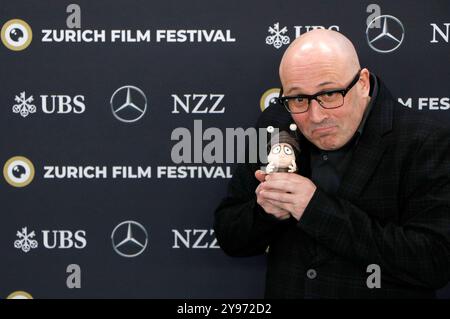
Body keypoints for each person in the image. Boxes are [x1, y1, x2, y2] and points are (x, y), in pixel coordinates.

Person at [214, 29, 450, 298]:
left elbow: (434, 262)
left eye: (329, 94)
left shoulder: (425, 141)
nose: (316, 116)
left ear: (362, 83)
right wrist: (265, 213)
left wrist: (315, 209)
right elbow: (230, 236)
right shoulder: (276, 123)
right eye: (299, 98)